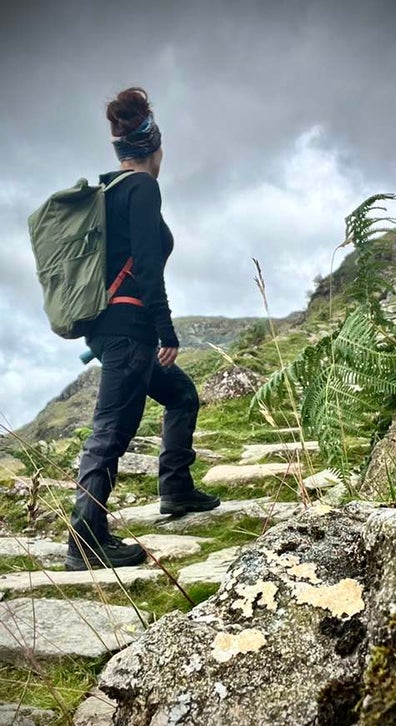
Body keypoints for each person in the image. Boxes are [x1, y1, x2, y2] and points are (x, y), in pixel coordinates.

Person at [66, 87, 220, 571]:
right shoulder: (142, 189)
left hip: (113, 329)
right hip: (131, 331)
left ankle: (176, 490)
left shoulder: (109, 192)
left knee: (181, 395)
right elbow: (148, 267)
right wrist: (165, 330)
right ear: (155, 148)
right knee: (110, 433)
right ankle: (85, 542)